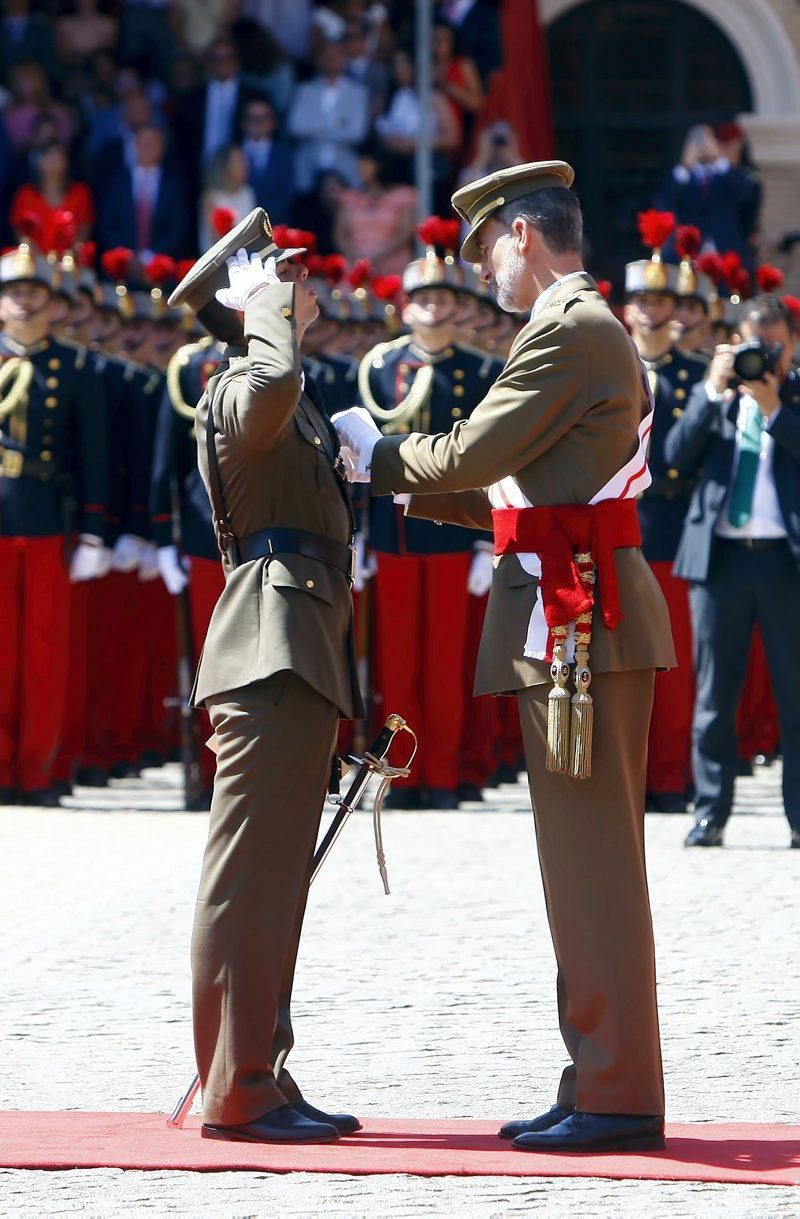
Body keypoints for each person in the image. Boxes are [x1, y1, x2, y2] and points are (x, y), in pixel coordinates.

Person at [333, 161, 675, 1153]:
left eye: (486, 245)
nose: (481, 266)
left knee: (592, 868)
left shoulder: (568, 328)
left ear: (523, 235)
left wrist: (374, 454)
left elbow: (480, 456)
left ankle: (613, 1091)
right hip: (575, 610)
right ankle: (597, 1074)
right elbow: (516, 497)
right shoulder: (577, 327)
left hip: (581, 620)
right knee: (581, 865)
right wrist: (401, 482)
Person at [168, 210, 363, 1143]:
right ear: (249, 300)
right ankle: (238, 1085)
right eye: (285, 273)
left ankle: (261, 1069)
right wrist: (263, 318)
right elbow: (273, 375)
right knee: (249, 875)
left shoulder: (281, 390)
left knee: (278, 875)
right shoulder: (241, 384)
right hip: (270, 640)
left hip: (300, 637)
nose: (305, 283)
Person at [358, 219, 498, 808]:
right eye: (422, 299)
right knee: (395, 663)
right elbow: (355, 454)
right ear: (405, 307)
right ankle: (398, 776)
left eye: (443, 298)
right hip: (391, 534)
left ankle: (440, 774)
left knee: (445, 666)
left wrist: (488, 542)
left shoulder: (481, 371)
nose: (432, 309)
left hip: (452, 532)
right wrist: (356, 533)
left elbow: (490, 461)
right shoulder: (376, 367)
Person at [665, 293, 800, 849]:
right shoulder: (718, 398)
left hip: (783, 562)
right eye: (752, 345)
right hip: (721, 561)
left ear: (791, 343)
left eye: (773, 345)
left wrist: (775, 409)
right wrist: (708, 391)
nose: (762, 358)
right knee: (715, 693)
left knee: (795, 692)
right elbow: (673, 454)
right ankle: (710, 811)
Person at [0, 242, 109, 806]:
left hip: (46, 520)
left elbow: (92, 453)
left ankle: (37, 772)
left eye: (33, 293)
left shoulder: (72, 366)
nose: (23, 302)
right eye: (13, 292)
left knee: (44, 654)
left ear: (51, 303)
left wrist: (94, 527)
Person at [623, 222, 706, 814]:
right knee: (625, 666)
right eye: (642, 301)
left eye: (661, 301)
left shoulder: (697, 376)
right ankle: (629, 777)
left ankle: (672, 779)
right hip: (619, 529)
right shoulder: (607, 365)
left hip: (675, 530)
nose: (651, 312)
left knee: (674, 667)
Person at [287, 39, 370, 194]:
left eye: (336, 54)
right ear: (319, 59)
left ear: (344, 58)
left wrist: (316, 128)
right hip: (308, 167)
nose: (332, 58)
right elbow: (296, 126)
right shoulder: (305, 90)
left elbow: (357, 133)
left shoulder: (358, 92)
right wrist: (337, 126)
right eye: (327, 54)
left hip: (345, 169)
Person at [333, 142, 416, 276]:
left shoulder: (403, 195)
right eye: (360, 162)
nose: (360, 167)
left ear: (380, 165)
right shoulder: (350, 197)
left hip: (393, 271)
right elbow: (340, 233)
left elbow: (404, 232)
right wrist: (356, 258)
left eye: (366, 163)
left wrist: (376, 256)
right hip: (355, 270)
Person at [10, 141, 95, 247]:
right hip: (33, 258)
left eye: (58, 156)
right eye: (48, 155)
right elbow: (18, 229)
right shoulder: (25, 194)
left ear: (66, 161)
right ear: (38, 162)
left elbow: (84, 227)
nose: (53, 161)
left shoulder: (80, 193)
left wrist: (70, 255)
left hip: (69, 259)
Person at [241, 98, 295, 224]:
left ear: (273, 122)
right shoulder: (232, 152)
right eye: (252, 117)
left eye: (263, 117)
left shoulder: (285, 154)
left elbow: (287, 192)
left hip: (275, 226)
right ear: (243, 122)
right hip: (239, 226)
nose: (257, 122)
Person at [198, 145, 256, 251]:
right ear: (225, 166)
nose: (245, 165)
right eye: (238, 161)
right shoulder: (211, 197)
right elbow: (215, 238)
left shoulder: (248, 193)